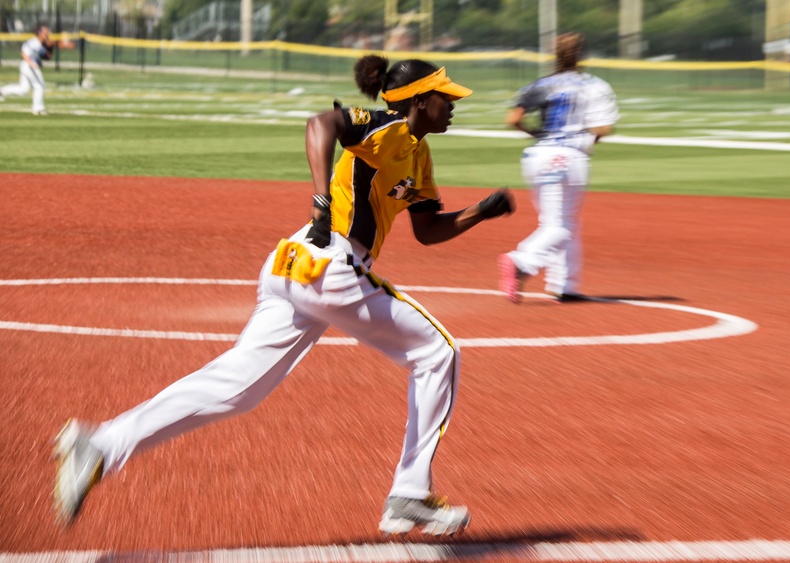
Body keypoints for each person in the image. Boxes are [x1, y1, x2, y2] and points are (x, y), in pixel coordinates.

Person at [52, 54, 516, 536]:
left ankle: (102, 444)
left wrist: (480, 211)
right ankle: (410, 493)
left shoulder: (417, 153)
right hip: (329, 261)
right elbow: (321, 124)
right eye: (447, 97)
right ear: (420, 101)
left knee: (238, 388)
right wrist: (321, 197)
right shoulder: (386, 126)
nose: (454, 104)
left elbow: (427, 230)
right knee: (437, 350)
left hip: (299, 266)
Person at [497, 32, 619, 304]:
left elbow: (513, 118)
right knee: (561, 226)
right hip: (569, 157)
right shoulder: (595, 86)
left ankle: (564, 285)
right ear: (582, 55)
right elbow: (603, 128)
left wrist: (538, 135)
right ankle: (521, 261)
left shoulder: (540, 84)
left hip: (537, 156)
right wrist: (584, 139)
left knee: (561, 222)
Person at [0, 23, 69, 115]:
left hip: (28, 66)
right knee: (39, 86)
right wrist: (31, 63)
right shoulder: (34, 42)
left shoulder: (41, 43)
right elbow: (23, 52)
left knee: (23, 89)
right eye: (45, 32)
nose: (47, 34)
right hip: (29, 66)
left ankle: (2, 91)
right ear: (39, 33)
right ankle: (38, 108)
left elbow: (47, 56)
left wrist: (51, 47)